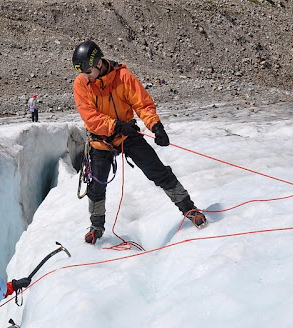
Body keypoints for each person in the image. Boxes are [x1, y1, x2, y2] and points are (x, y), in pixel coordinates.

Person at [72, 40, 206, 244]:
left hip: (127, 134)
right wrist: (116, 126)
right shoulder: (82, 83)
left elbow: (142, 104)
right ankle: (96, 226)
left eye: (89, 70)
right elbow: (90, 117)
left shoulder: (123, 76)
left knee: (158, 172)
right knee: (96, 185)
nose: (86, 76)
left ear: (99, 63)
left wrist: (155, 126)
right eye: (83, 72)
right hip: (101, 139)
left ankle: (189, 208)